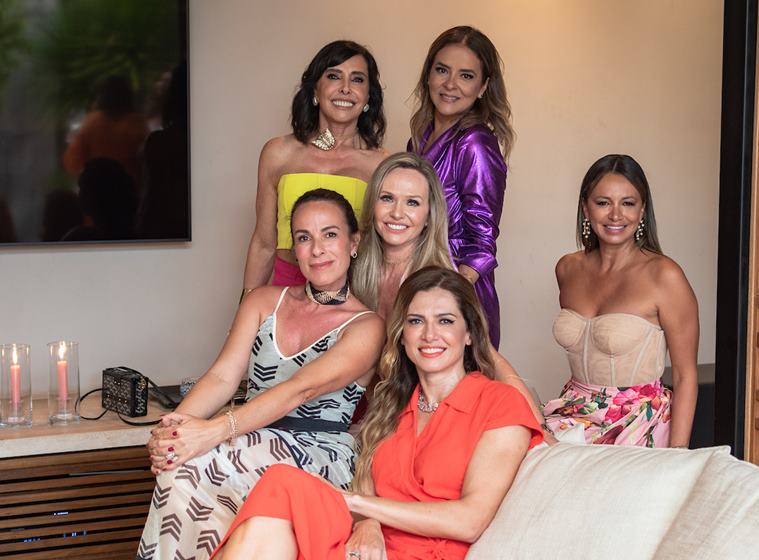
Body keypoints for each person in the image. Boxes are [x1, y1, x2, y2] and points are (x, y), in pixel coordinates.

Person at [211, 267, 543, 559]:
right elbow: (369, 484)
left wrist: (356, 504)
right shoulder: (393, 405)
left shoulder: (499, 402)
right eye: (416, 321)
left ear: (469, 334)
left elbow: (470, 521)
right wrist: (368, 524)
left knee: (277, 497)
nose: (429, 335)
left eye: (445, 321)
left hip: (427, 553)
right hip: (365, 548)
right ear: (402, 335)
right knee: (280, 487)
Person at [137, 190, 385, 560]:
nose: (317, 249)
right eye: (304, 237)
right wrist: (174, 434)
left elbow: (301, 389)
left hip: (315, 452)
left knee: (199, 464)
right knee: (178, 468)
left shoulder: (367, 326)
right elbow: (222, 377)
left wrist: (212, 432)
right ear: (295, 249)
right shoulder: (262, 301)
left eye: (329, 234)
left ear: (354, 242)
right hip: (248, 436)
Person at [351, 152, 551, 437]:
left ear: (429, 213)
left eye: (412, 202)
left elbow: (491, 360)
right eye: (387, 198)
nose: (397, 213)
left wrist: (541, 430)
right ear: (372, 204)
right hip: (376, 413)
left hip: (435, 418)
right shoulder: (355, 271)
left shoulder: (442, 281)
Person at [543, 154, 698, 448]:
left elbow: (685, 374)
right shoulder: (567, 268)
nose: (616, 215)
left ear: (642, 211)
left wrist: (678, 457)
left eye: (628, 203)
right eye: (603, 203)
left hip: (636, 423)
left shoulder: (665, 276)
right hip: (574, 413)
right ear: (585, 208)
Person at [242, 40, 387, 294]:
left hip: (354, 296)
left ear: (368, 97)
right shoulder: (278, 153)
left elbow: (389, 251)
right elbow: (264, 243)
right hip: (286, 292)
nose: (345, 88)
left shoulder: (382, 164)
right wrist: (245, 312)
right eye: (334, 76)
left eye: (357, 80)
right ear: (315, 91)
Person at [409, 26, 513, 348]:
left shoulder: (476, 143)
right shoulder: (421, 137)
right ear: (428, 75)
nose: (450, 84)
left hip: (455, 290)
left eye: (466, 76)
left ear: (483, 87)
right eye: (442, 70)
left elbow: (482, 244)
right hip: (416, 281)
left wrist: (447, 299)